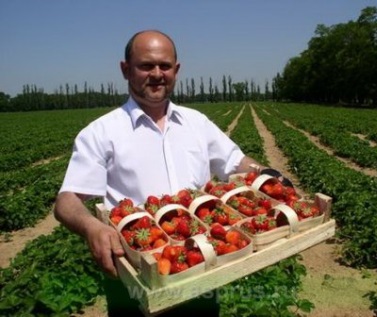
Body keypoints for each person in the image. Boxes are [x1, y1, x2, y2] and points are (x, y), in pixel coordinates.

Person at [54, 29, 292, 317]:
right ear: (126, 70)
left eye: (164, 66)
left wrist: (266, 172)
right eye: (146, 65)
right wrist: (92, 227)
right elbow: (67, 201)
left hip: (201, 261)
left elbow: (236, 161)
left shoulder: (197, 123)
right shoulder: (101, 133)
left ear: (176, 70)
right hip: (136, 271)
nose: (157, 74)